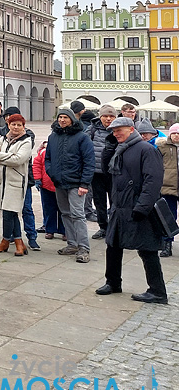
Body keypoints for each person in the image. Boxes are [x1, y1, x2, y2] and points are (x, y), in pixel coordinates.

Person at [95, 117, 168, 304]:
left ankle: (157, 291)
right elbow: (107, 173)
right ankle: (112, 283)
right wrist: (109, 149)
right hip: (120, 206)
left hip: (137, 207)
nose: (116, 133)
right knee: (113, 245)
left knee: (147, 249)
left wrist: (142, 207)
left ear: (131, 129)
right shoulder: (119, 149)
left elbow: (153, 181)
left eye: (120, 130)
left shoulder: (146, 149)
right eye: (113, 131)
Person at [45, 108, 95, 263]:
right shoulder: (53, 137)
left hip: (76, 183)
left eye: (65, 117)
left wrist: (84, 183)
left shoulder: (82, 138)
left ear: (72, 119)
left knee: (78, 215)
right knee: (65, 213)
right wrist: (51, 172)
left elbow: (89, 162)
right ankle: (72, 244)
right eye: (60, 117)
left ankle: (83, 248)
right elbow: (48, 158)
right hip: (60, 182)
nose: (62, 120)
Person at [0, 114, 34, 257]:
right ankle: (17, 242)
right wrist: (9, 157)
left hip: (16, 182)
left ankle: (7, 241)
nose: (16, 127)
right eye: (13, 124)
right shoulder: (3, 139)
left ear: (23, 127)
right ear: (8, 125)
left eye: (19, 125)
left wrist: (2, 158)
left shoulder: (26, 141)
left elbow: (19, 160)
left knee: (10, 212)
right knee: (9, 212)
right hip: (2, 181)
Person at [33, 141, 64, 240]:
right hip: (46, 186)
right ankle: (49, 230)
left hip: (62, 186)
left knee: (64, 210)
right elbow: (37, 165)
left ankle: (65, 230)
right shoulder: (43, 152)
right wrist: (37, 179)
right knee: (48, 209)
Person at [157, 124, 179, 258]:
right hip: (168, 186)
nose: (176, 136)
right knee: (169, 217)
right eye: (174, 133)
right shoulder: (162, 147)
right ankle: (167, 244)